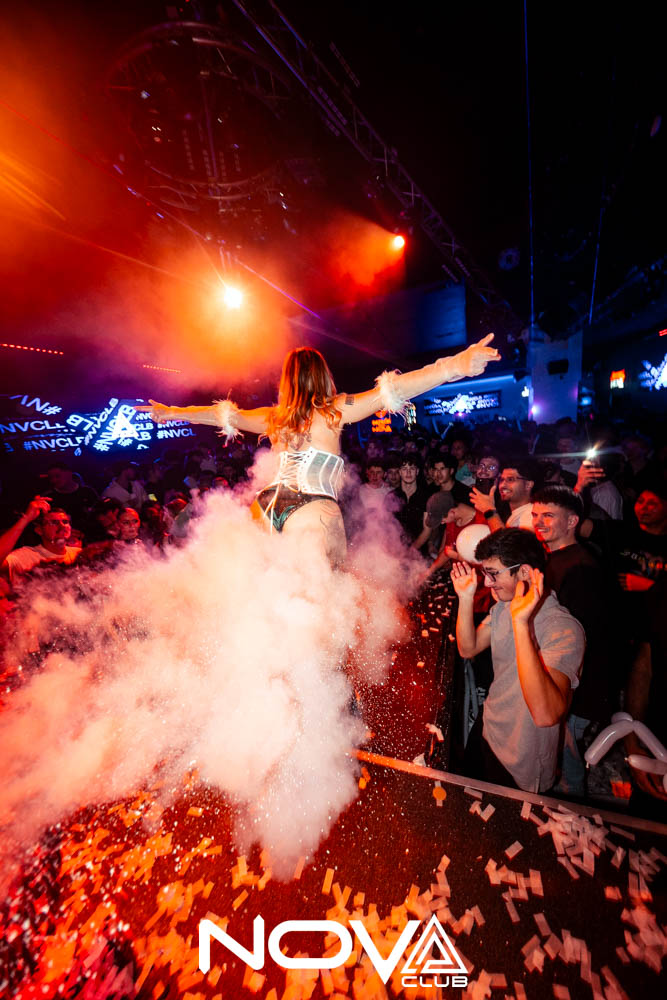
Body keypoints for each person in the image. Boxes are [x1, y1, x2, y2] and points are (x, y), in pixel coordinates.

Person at [139, 336, 500, 564]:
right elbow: (395, 390)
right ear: (323, 376)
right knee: (328, 598)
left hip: (266, 507)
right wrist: (454, 365)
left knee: (273, 598)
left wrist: (171, 412)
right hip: (313, 508)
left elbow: (224, 416)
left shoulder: (273, 417)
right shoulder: (333, 410)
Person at [452, 528, 584, 793]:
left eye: (493, 573)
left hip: (521, 758)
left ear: (523, 572)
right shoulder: (504, 605)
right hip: (489, 728)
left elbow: (546, 714)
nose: (487, 583)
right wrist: (465, 598)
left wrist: (521, 623)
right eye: (485, 573)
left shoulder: (562, 628)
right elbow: (468, 648)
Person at [532, 485, 620, 797]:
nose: (539, 522)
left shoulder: (580, 567)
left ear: (572, 521)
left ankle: (572, 819)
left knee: (566, 768)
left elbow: (584, 637)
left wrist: (569, 695)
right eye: (535, 515)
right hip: (564, 682)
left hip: (575, 689)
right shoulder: (554, 558)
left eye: (548, 515)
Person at [1, 500, 80, 586]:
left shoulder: (78, 554)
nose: (62, 526)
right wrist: (26, 518)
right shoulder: (25, 557)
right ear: (39, 530)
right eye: (54, 522)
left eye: (65, 522)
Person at [411, 455, 470, 558]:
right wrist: (431, 543)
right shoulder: (431, 491)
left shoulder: (464, 493)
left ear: (451, 471)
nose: (438, 473)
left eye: (442, 469)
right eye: (435, 469)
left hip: (458, 543)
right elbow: (431, 523)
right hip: (436, 541)